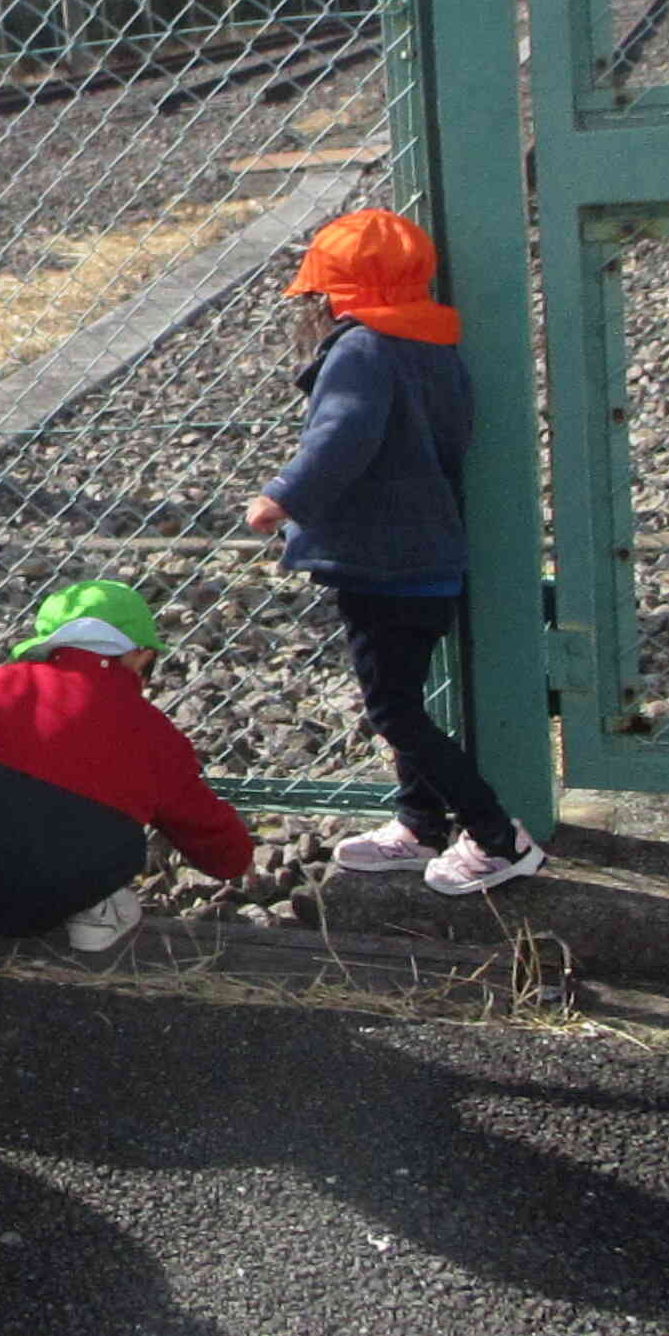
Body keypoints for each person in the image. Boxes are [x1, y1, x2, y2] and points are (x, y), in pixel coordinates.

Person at [241, 208, 545, 896]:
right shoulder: (431, 347)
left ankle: (499, 837)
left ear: (342, 293)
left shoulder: (362, 350)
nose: (315, 306)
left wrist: (281, 497)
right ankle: (418, 824)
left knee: (393, 710)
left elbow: (340, 436)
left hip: (381, 564)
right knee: (401, 696)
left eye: (322, 293)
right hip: (424, 556)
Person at [0, 580, 253, 949]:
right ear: (140, 655)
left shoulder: (1, 684)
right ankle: (96, 913)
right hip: (75, 882)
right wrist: (234, 859)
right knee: (126, 813)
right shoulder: (155, 732)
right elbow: (196, 812)